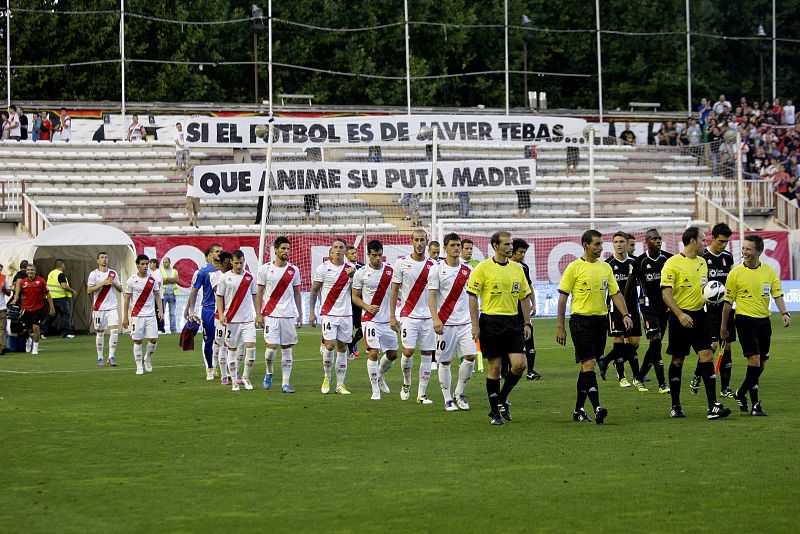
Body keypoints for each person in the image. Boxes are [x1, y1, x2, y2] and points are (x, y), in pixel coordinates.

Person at [556, 230, 633, 424]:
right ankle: (597, 407)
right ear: (586, 245)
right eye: (597, 244)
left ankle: (578, 410)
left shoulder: (605, 268)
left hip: (600, 321)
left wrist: (625, 314)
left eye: (601, 244)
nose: (600, 247)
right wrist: (560, 326)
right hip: (580, 321)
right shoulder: (574, 268)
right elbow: (563, 298)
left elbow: (616, 293)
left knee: (586, 367)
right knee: (589, 364)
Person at [660, 226, 731, 420]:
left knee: (707, 356)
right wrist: (680, 314)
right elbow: (666, 293)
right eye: (703, 240)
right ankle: (675, 405)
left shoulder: (703, 262)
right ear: (692, 241)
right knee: (678, 360)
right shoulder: (672, 263)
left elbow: (702, 290)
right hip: (679, 317)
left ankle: (712, 407)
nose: (705, 243)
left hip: (700, 316)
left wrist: (711, 298)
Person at [721, 234, 791, 416]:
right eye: (743, 248)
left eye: (748, 249)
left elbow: (777, 294)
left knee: (760, 366)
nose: (744, 252)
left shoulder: (769, 272)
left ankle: (741, 394)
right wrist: (723, 326)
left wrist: (784, 313)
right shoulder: (735, 273)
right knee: (754, 361)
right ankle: (754, 403)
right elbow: (727, 303)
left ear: (759, 251)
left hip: (764, 322)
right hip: (744, 320)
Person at [468, 231, 532, 425]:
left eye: (511, 244)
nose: (510, 247)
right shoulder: (483, 268)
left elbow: (524, 297)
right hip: (491, 321)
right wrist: (475, 325)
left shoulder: (517, 268)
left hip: (513, 322)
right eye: (506, 244)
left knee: (520, 364)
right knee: (495, 367)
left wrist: (527, 322)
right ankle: (495, 411)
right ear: (495, 246)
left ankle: (502, 398)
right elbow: (473, 296)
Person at [429, 233, 477, 411]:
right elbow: (432, 295)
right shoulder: (436, 269)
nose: (456, 248)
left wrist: (475, 323)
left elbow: (473, 298)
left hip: (465, 323)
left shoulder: (468, 270)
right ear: (445, 248)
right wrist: (435, 319)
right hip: (445, 322)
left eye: (458, 245)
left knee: (470, 357)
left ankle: (459, 392)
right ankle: (447, 398)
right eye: (453, 245)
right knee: (446, 361)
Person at [389, 229, 437, 404]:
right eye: (416, 240)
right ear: (411, 241)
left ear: (427, 242)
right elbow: (394, 291)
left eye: (422, 240)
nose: (419, 243)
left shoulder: (433, 265)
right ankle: (406, 382)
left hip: (428, 317)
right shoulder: (401, 263)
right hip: (408, 315)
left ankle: (421, 394)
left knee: (427, 353)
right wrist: (392, 316)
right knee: (408, 352)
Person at [689, 223, 736, 398]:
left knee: (727, 345)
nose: (724, 245)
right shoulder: (704, 258)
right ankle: (697, 375)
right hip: (708, 310)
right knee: (713, 347)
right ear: (713, 238)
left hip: (726, 308)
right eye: (721, 241)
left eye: (726, 242)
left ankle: (725, 388)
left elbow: (731, 281)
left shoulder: (728, 257)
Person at [626, 229, 672, 394]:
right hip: (647, 306)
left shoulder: (668, 259)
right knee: (656, 340)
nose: (658, 241)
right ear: (646, 241)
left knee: (656, 344)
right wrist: (625, 309)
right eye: (654, 239)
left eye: (659, 238)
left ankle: (639, 377)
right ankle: (661, 383)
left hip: (665, 307)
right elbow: (629, 285)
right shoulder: (639, 262)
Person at [352, 239, 398, 400]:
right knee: (373, 352)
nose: (377, 258)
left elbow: (396, 293)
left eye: (379, 255)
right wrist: (366, 306)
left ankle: (379, 375)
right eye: (374, 255)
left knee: (393, 354)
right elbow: (354, 297)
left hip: (387, 320)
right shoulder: (361, 273)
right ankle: (375, 391)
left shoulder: (391, 271)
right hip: (370, 319)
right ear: (368, 255)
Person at [255, 236, 302, 394]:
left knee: (287, 349)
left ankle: (285, 383)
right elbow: (259, 292)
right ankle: (269, 372)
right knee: (271, 349)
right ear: (275, 250)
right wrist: (258, 314)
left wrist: (300, 314)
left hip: (288, 315)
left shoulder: (294, 270)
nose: (286, 251)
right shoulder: (265, 269)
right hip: (271, 315)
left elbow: (297, 293)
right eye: (283, 248)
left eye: (288, 249)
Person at [598, 232, 644, 390]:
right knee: (619, 342)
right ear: (612, 244)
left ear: (627, 244)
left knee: (634, 342)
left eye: (621, 241)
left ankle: (605, 360)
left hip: (632, 307)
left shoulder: (635, 262)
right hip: (614, 308)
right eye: (616, 241)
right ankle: (622, 377)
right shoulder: (607, 264)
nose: (618, 244)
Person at [309, 238, 355, 395]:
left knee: (342, 348)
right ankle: (327, 377)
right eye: (335, 247)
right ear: (331, 250)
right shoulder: (323, 268)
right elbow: (314, 290)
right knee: (329, 345)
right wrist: (311, 312)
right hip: (328, 313)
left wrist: (353, 277)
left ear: (345, 251)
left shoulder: (351, 268)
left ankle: (340, 385)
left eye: (341, 247)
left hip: (346, 314)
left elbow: (357, 291)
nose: (338, 250)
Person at [216, 250, 258, 392]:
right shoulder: (224, 278)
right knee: (232, 350)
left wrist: (258, 313)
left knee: (251, 348)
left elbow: (254, 296)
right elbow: (219, 296)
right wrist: (221, 315)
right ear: (231, 263)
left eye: (241, 263)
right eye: (236, 263)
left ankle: (245, 377)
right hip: (231, 320)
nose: (239, 266)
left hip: (247, 320)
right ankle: (234, 380)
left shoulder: (250, 277)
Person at [185, 244, 223, 380]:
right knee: (209, 340)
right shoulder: (203, 272)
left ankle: (221, 367)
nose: (220, 253)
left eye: (221, 251)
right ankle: (210, 368)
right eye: (217, 251)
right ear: (211, 255)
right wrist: (191, 310)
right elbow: (194, 291)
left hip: (223, 310)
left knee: (222, 341)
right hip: (208, 309)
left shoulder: (227, 270)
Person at [122, 255, 162, 375]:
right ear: (137, 265)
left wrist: (160, 310)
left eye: (146, 264)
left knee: (153, 339)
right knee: (138, 341)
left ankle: (147, 359)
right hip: (137, 315)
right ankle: (139, 366)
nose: (145, 266)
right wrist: (125, 316)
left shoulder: (152, 279)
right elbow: (127, 299)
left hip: (150, 314)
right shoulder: (131, 280)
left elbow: (157, 295)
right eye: (143, 264)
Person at [87, 252, 124, 366]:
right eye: (102, 258)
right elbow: (89, 290)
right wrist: (103, 283)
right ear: (98, 260)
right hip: (99, 308)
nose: (104, 259)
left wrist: (113, 284)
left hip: (112, 307)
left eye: (106, 257)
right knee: (100, 332)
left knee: (114, 331)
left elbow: (120, 289)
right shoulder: (94, 274)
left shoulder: (113, 273)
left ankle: (111, 356)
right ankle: (100, 357)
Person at [511, 238, 540, 380]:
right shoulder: (505, 267)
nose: (522, 255)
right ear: (513, 252)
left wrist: (533, 304)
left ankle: (531, 370)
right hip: (509, 310)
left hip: (523, 308)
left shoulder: (524, 267)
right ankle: (505, 370)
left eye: (524, 252)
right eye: (520, 252)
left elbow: (529, 287)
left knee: (529, 339)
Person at [12, 263, 55, 355]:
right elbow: (23, 296)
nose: (30, 272)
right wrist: (22, 308)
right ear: (26, 271)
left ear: (35, 271)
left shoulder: (41, 281)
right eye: (28, 270)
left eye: (32, 270)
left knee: (36, 328)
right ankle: (28, 340)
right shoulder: (23, 282)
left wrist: (52, 307)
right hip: (27, 309)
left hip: (38, 308)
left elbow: (48, 294)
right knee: (25, 330)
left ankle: (35, 348)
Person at [210, 252, 233, 384]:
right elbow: (218, 292)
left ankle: (231, 371)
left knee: (232, 344)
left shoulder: (236, 275)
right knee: (220, 343)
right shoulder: (215, 275)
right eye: (228, 261)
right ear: (221, 263)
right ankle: (222, 373)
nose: (230, 264)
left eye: (231, 261)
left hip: (234, 314)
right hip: (220, 314)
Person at [41, 259, 76, 338]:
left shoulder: (51, 274)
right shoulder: (60, 274)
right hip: (60, 298)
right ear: (62, 265)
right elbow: (64, 286)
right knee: (66, 315)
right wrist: (72, 291)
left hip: (51, 297)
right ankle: (66, 332)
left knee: (52, 315)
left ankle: (41, 332)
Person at [345, 245, 364, 360]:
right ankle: (351, 350)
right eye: (351, 253)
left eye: (355, 252)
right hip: (348, 301)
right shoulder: (344, 267)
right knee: (349, 327)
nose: (354, 255)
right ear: (346, 255)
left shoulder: (363, 267)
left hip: (360, 300)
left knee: (362, 326)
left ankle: (353, 342)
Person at [160, 257, 179, 334]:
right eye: (164, 262)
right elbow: (162, 282)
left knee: (172, 313)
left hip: (172, 294)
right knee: (162, 313)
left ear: (169, 262)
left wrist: (166, 279)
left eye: (166, 262)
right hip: (163, 294)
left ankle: (173, 330)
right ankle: (162, 329)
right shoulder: (160, 271)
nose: (165, 264)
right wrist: (171, 280)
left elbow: (176, 280)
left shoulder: (174, 271)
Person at [0, 264, 12, 354]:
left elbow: (9, 293)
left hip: (2, 307)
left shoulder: (4, 279)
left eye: (0, 270)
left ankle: (2, 347)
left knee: (2, 329)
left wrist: (4, 289)